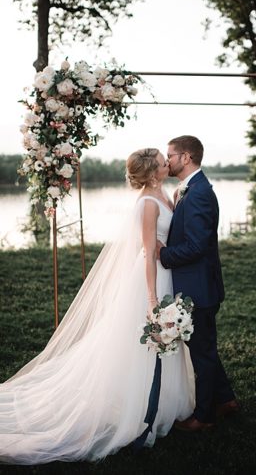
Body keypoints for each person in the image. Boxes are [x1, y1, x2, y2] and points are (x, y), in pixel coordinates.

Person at [0, 148, 195, 465]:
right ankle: (139, 405)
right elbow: (147, 253)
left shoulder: (164, 193)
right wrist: (151, 298)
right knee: (144, 344)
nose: (167, 163)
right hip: (152, 278)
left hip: (167, 272)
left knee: (162, 344)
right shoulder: (146, 203)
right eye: (162, 162)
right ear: (151, 173)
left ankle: (165, 403)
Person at [158, 135, 239, 432]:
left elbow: (197, 245)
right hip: (197, 285)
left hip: (199, 289)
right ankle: (226, 400)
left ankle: (204, 417)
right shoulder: (190, 189)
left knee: (201, 353)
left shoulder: (200, 192)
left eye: (171, 155)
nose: (168, 161)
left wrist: (163, 255)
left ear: (187, 157)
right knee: (205, 348)